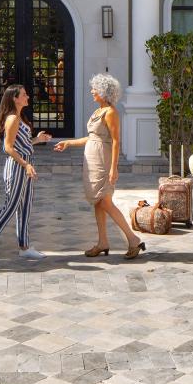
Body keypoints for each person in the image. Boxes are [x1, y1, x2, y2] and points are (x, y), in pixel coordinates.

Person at [54, 73, 145, 259]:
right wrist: (69, 143)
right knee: (98, 202)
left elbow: (116, 141)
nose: (92, 91)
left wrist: (114, 168)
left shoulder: (111, 112)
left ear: (104, 92)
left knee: (105, 201)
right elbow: (92, 137)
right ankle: (102, 242)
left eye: (95, 88)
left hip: (103, 161)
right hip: (92, 161)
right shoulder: (98, 111)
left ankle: (133, 239)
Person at [0, 85, 51, 259]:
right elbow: (8, 148)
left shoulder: (20, 117)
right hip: (17, 166)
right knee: (11, 205)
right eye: (24, 95)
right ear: (15, 98)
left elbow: (23, 144)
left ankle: (24, 247)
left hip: (26, 163)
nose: (28, 97)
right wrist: (25, 164)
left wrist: (37, 139)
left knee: (25, 206)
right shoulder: (12, 119)